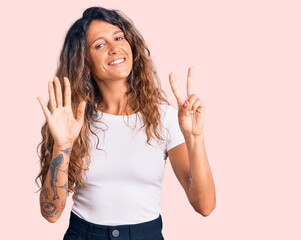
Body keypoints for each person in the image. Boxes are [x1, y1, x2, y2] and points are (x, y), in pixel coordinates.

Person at [36, 6, 216, 240]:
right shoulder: (72, 120)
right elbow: (50, 213)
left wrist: (195, 138)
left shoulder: (166, 118)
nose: (114, 49)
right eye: (99, 45)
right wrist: (62, 145)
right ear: (85, 62)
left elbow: (205, 206)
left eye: (119, 38)